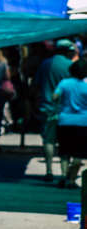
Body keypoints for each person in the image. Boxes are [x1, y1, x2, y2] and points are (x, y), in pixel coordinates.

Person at [33, 39, 75, 182]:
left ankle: (49, 170)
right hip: (66, 110)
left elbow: (36, 86)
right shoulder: (70, 66)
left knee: (48, 140)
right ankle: (64, 173)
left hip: (47, 107)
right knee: (66, 143)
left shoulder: (45, 64)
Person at [54, 58, 87, 188]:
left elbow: (54, 97)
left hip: (65, 120)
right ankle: (72, 180)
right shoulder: (86, 86)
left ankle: (62, 175)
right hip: (83, 122)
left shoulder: (64, 83)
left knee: (64, 150)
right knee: (79, 153)